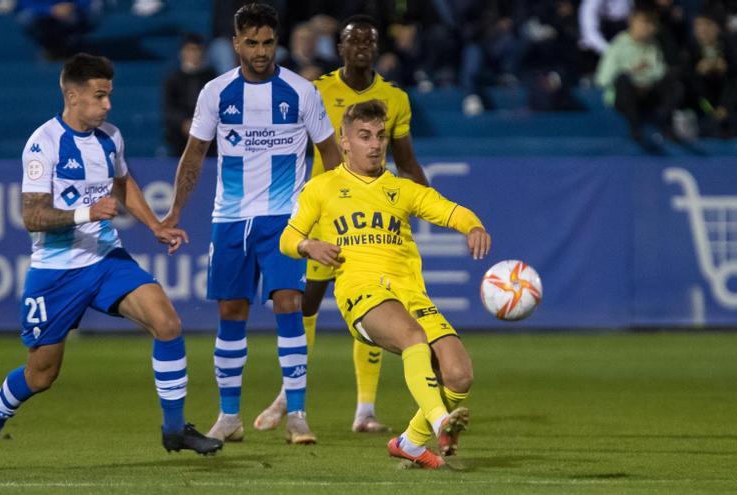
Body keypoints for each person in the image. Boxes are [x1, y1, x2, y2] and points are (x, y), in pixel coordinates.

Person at [0, 53, 223, 470]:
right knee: (42, 375)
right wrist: (87, 212)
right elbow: (31, 215)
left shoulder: (110, 138)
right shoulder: (43, 144)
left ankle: (174, 428)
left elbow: (122, 183)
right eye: (99, 96)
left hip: (105, 259)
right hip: (56, 272)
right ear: (72, 95)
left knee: (168, 322)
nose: (107, 105)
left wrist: (155, 225)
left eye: (109, 95)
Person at [162, 3, 342, 445]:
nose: (261, 52)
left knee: (288, 305)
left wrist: (328, 216)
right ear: (237, 43)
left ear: (276, 41)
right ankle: (229, 417)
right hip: (231, 218)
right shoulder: (215, 92)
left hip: (286, 220)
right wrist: (176, 211)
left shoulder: (302, 92)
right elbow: (193, 156)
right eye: (252, 43)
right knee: (231, 312)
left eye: (267, 43)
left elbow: (332, 156)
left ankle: (297, 414)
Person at [280, 99, 491, 469]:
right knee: (413, 337)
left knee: (459, 374)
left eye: (380, 136)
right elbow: (287, 239)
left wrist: (473, 226)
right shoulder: (322, 188)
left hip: (409, 294)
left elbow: (449, 209)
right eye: (364, 136)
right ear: (344, 142)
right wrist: (308, 245)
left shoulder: (401, 189)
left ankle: (410, 442)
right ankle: (441, 422)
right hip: (362, 293)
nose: (375, 144)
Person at [253, 14, 429, 435]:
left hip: (371, 218)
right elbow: (290, 150)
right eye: (353, 40)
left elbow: (405, 161)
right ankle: (288, 393)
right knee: (307, 303)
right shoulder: (317, 92)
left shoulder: (395, 98)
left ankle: (364, 410)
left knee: (375, 304)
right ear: (341, 46)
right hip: (324, 213)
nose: (361, 47)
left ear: (376, 47)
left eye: (369, 40)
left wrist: (425, 201)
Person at [595, 8, 683, 147]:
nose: (648, 28)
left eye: (652, 25)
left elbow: (659, 70)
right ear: (632, 23)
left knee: (674, 82)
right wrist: (632, 72)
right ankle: (635, 129)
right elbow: (603, 79)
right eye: (644, 23)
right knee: (623, 80)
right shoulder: (618, 45)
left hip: (648, 92)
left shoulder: (653, 46)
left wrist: (647, 81)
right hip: (625, 97)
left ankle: (665, 124)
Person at [162, 33, 217, 156]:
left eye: (197, 50)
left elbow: (216, 105)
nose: (194, 54)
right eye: (190, 50)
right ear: (182, 52)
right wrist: (184, 123)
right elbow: (169, 108)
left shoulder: (211, 77)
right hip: (180, 135)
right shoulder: (173, 78)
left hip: (208, 133)